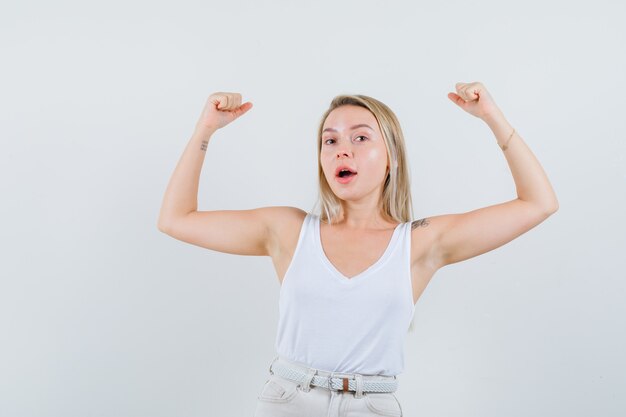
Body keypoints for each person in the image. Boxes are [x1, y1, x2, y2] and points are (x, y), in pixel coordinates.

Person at [157, 83, 559, 417]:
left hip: (372, 405)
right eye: (329, 140)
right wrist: (205, 130)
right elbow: (176, 219)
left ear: (391, 159)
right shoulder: (288, 230)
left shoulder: (419, 242)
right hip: (288, 401)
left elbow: (538, 202)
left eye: (360, 137)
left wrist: (492, 116)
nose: (341, 150)